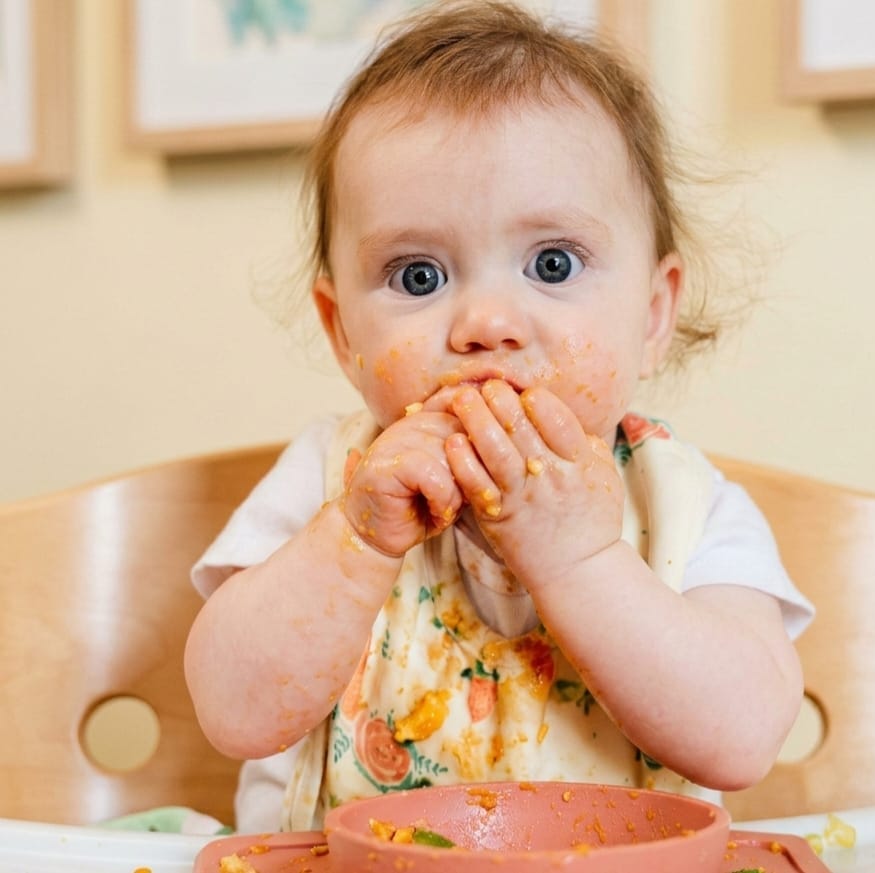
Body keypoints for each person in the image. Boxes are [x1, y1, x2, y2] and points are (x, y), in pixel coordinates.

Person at [184, 0, 813, 833]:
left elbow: (739, 739)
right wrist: (357, 540)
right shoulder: (328, 485)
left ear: (653, 313)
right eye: (417, 276)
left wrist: (581, 559)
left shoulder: (683, 507)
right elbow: (234, 712)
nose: (485, 321)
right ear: (342, 332)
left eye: (551, 262)